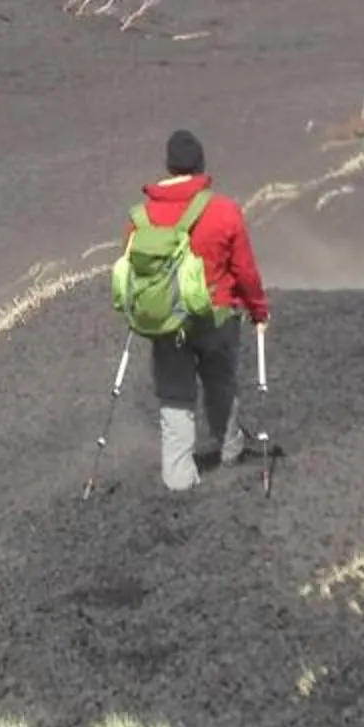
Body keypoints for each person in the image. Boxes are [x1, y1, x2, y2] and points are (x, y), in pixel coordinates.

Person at [129, 129, 269, 491]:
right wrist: (258, 310)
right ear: (201, 164)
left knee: (175, 396)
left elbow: (132, 270)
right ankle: (230, 451)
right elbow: (245, 270)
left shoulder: (141, 216)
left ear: (168, 165)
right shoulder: (224, 211)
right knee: (220, 381)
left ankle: (178, 480)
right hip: (216, 315)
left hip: (164, 321)